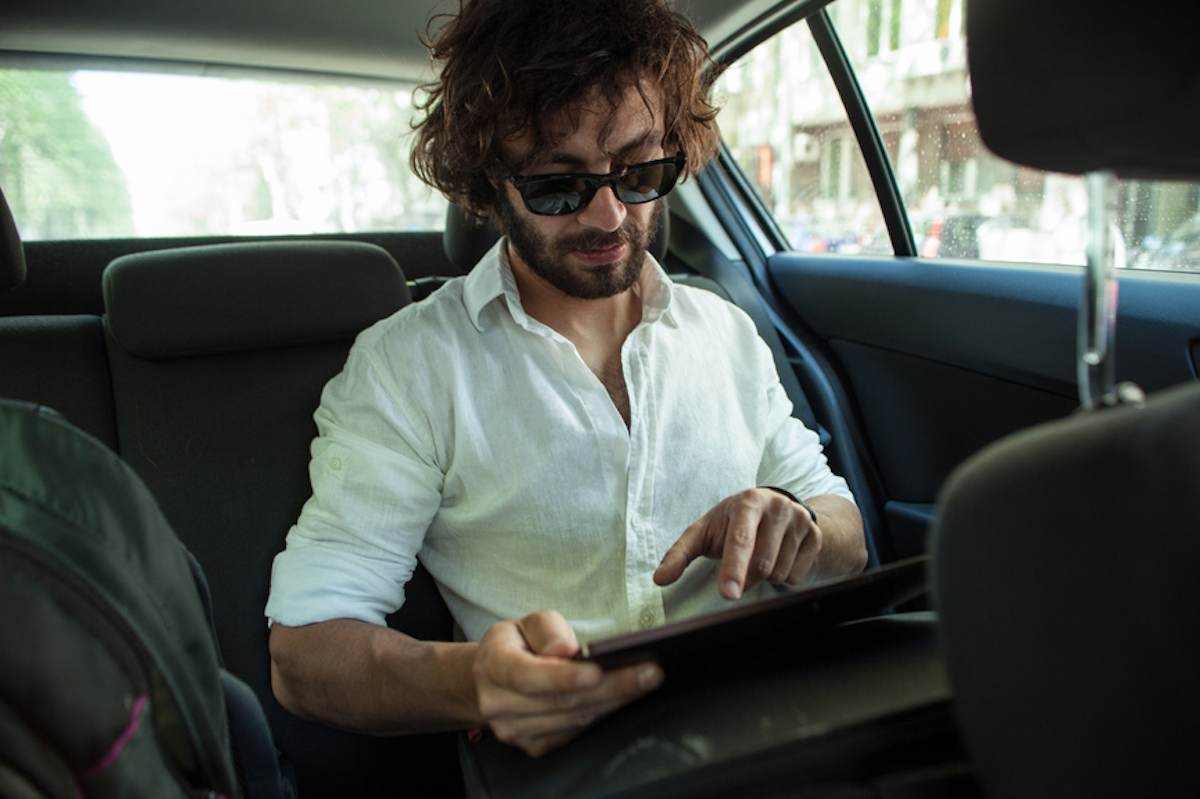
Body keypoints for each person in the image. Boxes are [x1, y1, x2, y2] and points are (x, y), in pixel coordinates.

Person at [266, 0, 867, 758]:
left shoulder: (726, 334)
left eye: (640, 170)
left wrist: (800, 524)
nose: (612, 215)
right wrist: (473, 681)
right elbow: (304, 654)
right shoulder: (409, 365)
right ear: (490, 182)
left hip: (765, 729)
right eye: (558, 185)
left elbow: (845, 527)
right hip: (561, 764)